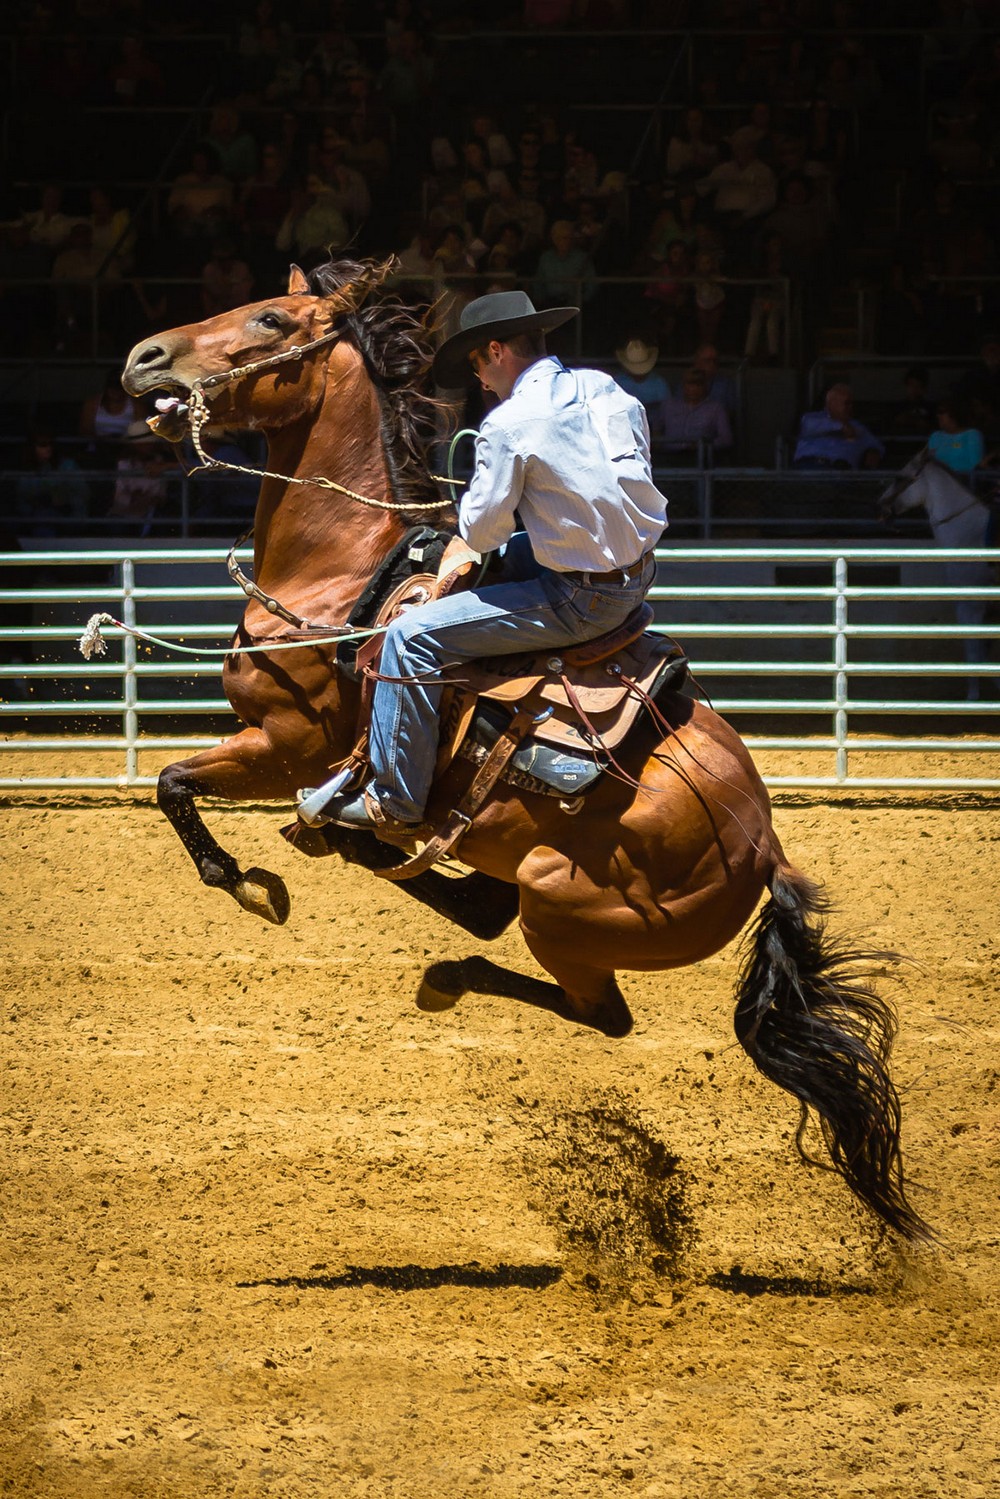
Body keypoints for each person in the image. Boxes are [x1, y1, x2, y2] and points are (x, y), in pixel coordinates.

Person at [299, 289, 667, 842]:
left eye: (477, 364)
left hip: (578, 596)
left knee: (409, 639)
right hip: (635, 573)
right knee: (492, 566)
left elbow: (482, 530)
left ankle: (393, 801)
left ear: (496, 350)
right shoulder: (603, 387)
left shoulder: (509, 423)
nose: (479, 379)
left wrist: (476, 500)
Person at [792, 383, 884, 469]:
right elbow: (812, 426)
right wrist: (841, 427)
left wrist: (874, 451)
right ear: (831, 403)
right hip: (808, 468)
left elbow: (875, 444)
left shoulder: (858, 427)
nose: (850, 407)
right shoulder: (811, 418)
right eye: (846, 403)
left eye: (851, 403)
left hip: (840, 473)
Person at [661, 367, 733, 456]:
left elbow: (726, 439)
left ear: (705, 386)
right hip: (669, 457)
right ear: (683, 385)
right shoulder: (668, 406)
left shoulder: (716, 409)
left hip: (702, 458)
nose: (694, 388)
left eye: (698, 384)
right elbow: (656, 430)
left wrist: (702, 445)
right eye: (690, 384)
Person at [613, 336, 668, 436]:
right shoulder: (617, 382)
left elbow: (665, 409)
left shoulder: (658, 382)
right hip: (623, 426)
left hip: (654, 428)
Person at [927, 399, 984, 480]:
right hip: (937, 482)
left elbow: (975, 466)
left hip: (963, 482)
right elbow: (930, 463)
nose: (938, 415)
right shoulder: (935, 436)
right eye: (937, 412)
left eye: (941, 412)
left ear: (954, 413)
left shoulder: (972, 435)